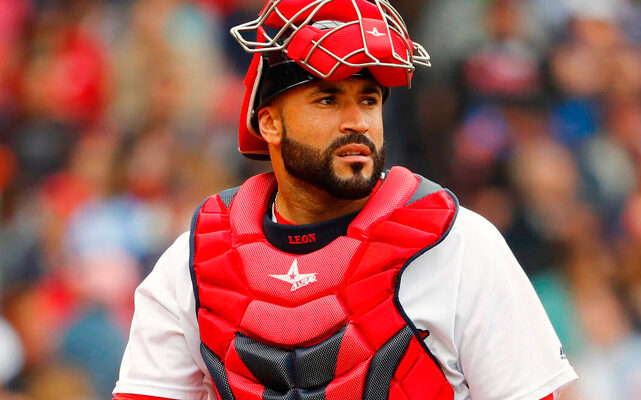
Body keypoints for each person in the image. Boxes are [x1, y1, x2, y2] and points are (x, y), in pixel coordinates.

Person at [113, 0, 577, 399]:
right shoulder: (196, 261)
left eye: (369, 99)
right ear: (270, 123)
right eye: (328, 100)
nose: (357, 121)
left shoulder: (459, 244)